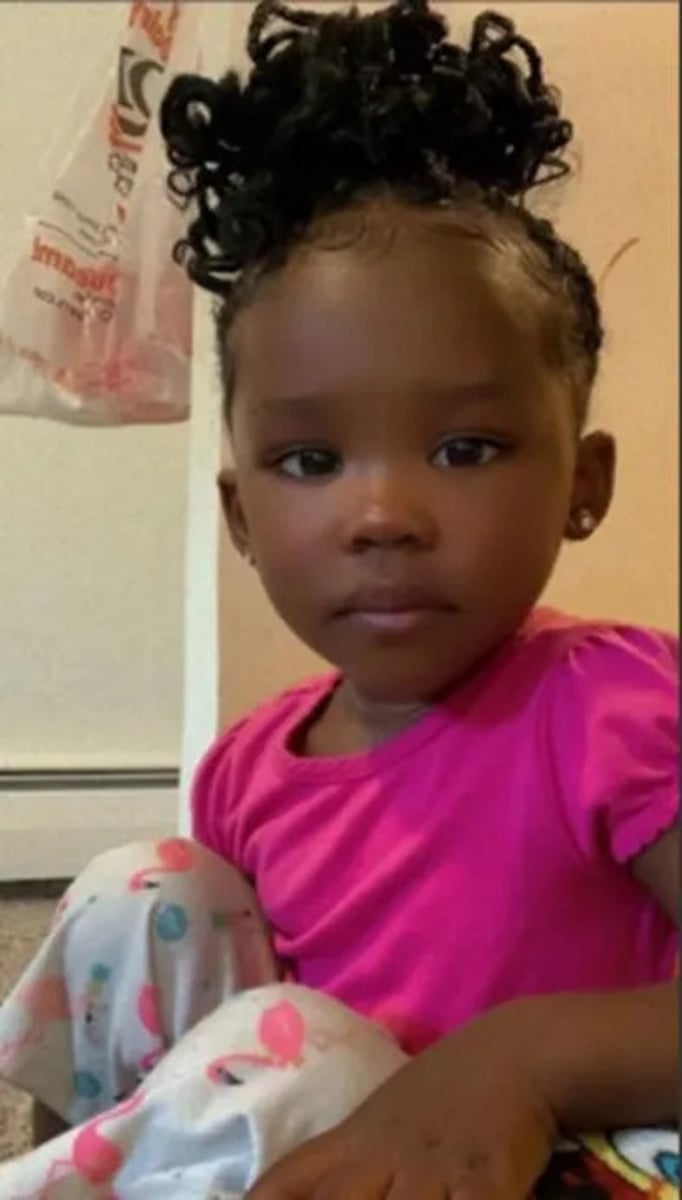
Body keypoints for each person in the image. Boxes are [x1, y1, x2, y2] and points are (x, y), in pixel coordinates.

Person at [0, 1, 677, 1197]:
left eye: (464, 448)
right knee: (142, 889)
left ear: (583, 485)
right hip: (326, 1159)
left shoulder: (613, 709)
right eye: (310, 461)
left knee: (307, 1050)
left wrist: (521, 1062)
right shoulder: (246, 773)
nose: (381, 515)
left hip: (562, 1160)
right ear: (241, 517)